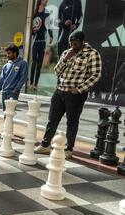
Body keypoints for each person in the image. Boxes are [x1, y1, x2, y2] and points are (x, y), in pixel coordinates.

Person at [35, 31, 102, 159]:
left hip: (75, 94)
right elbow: (57, 71)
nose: (73, 46)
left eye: (75, 43)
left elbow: (96, 75)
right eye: (71, 43)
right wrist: (65, 59)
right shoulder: (67, 52)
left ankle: (69, 148)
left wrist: (79, 89)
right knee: (52, 120)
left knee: (71, 122)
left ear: (82, 41)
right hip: (60, 90)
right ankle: (45, 145)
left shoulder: (92, 54)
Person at [0, 44, 28, 111]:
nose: (7, 55)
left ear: (15, 53)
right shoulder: (6, 66)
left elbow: (23, 79)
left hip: (13, 93)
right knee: (5, 112)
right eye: (7, 53)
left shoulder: (23, 63)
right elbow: (1, 80)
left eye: (9, 53)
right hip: (4, 92)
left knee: (10, 113)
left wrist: (16, 90)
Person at [30, 0, 53, 91]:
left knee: (39, 64)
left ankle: (35, 84)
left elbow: (49, 25)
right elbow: (30, 27)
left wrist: (51, 36)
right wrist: (32, 32)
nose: (46, 1)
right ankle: (31, 83)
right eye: (44, 0)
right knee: (34, 63)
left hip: (42, 41)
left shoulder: (46, 13)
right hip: (34, 41)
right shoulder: (34, 13)